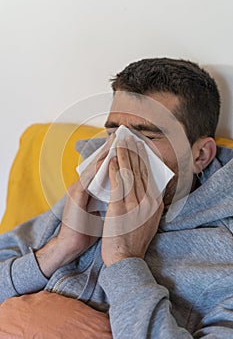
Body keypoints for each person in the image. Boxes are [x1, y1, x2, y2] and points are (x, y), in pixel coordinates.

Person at [1, 57, 233, 339]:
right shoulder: (88, 195)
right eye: (113, 132)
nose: (119, 152)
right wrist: (60, 248)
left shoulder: (224, 255)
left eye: (146, 137)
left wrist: (125, 261)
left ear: (200, 155)